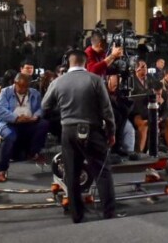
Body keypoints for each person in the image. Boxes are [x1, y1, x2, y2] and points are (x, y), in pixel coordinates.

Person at [41, 49, 117, 223]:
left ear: (69, 62)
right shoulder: (95, 80)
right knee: (102, 173)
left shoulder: (58, 82)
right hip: (93, 130)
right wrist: (111, 132)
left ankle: (77, 215)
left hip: (68, 131)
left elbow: (44, 105)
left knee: (72, 174)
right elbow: (107, 111)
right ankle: (109, 214)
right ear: (85, 62)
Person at [0, 72, 50, 182]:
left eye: (26, 87)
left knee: (44, 124)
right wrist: (16, 118)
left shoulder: (34, 93)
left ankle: (33, 152)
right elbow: (0, 110)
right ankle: (1, 170)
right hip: (9, 123)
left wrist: (35, 116)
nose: (24, 89)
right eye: (21, 86)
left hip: (29, 122)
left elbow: (41, 108)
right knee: (9, 136)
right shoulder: (5, 92)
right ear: (15, 83)